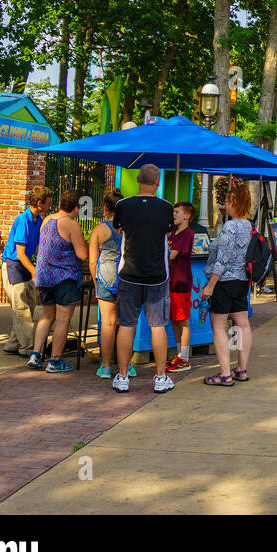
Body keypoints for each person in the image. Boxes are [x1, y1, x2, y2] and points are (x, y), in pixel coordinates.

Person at [112, 163, 175, 394]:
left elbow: (118, 229)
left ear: (138, 179)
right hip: (157, 276)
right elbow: (168, 233)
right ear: (157, 183)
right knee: (158, 326)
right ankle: (160, 377)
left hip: (128, 273)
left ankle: (122, 376)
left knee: (126, 326)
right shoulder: (166, 207)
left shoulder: (123, 205)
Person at [28, 189, 89, 373]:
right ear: (76, 207)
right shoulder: (70, 224)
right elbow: (82, 254)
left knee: (47, 316)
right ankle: (55, 360)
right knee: (63, 319)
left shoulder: (48, 220)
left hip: (44, 276)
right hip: (64, 277)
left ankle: (36, 355)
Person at [202, 181, 254, 386]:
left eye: (226, 200)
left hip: (224, 281)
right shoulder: (249, 225)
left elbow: (222, 259)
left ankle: (224, 373)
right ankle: (240, 368)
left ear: (234, 201)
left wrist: (211, 285)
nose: (225, 204)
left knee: (219, 326)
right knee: (241, 324)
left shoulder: (230, 227)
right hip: (242, 280)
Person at [1, 185, 54, 357]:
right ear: (39, 203)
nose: (49, 206)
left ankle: (13, 343)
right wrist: (34, 271)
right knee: (21, 308)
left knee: (29, 303)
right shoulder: (23, 220)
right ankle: (29, 347)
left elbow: (38, 247)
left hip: (23, 265)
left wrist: (41, 265)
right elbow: (20, 253)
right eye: (47, 203)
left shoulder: (38, 219)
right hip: (13, 265)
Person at [87, 189, 133, 380]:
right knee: (127, 324)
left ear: (105, 208)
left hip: (105, 278)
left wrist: (96, 281)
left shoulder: (99, 230)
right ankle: (127, 365)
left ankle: (105, 367)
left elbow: (92, 260)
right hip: (127, 276)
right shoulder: (129, 228)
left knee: (107, 323)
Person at [165, 202, 196, 373]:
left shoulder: (187, 234)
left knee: (182, 320)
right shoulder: (174, 233)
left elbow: (172, 255)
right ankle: (179, 354)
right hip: (171, 281)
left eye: (177, 212)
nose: (174, 215)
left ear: (187, 216)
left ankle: (185, 357)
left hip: (181, 282)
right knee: (175, 320)